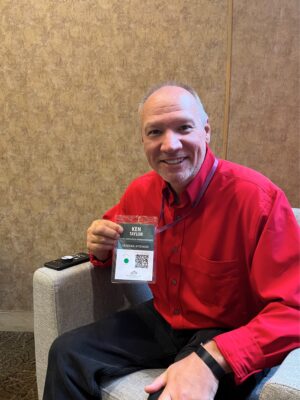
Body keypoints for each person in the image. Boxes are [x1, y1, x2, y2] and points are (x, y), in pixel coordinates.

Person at [43, 82, 299, 400]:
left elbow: (293, 311)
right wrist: (101, 248)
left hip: (227, 328)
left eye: (183, 128)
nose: (170, 145)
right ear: (143, 141)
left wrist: (214, 358)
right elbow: (115, 242)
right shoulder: (140, 192)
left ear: (205, 131)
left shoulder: (259, 200)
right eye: (155, 132)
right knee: (65, 353)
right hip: (162, 319)